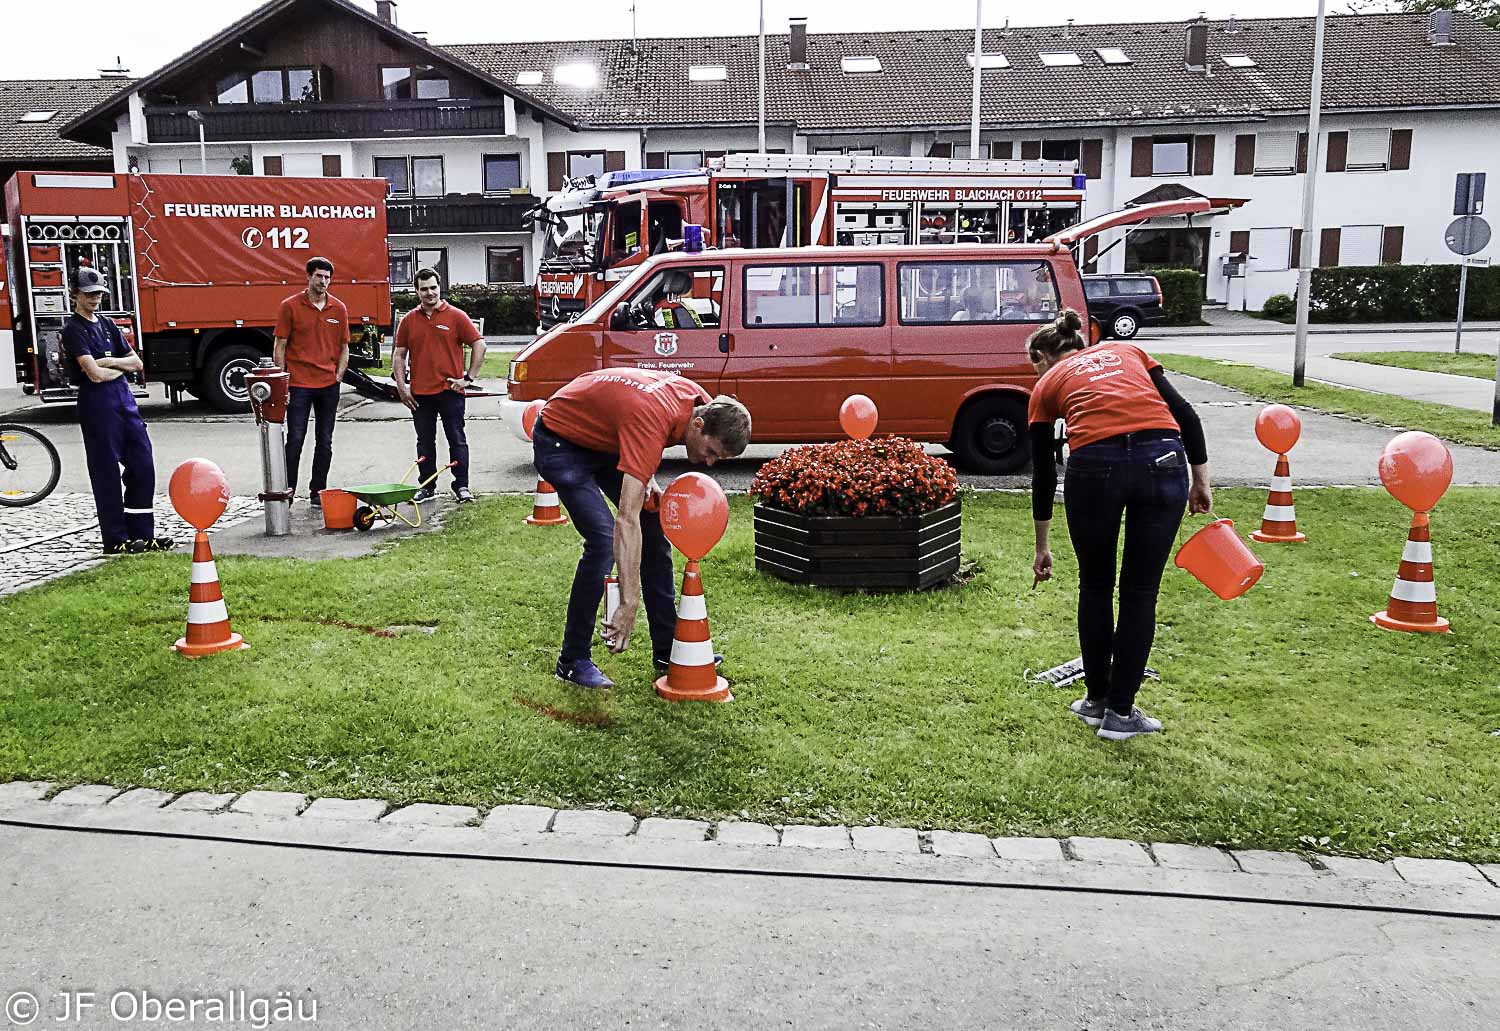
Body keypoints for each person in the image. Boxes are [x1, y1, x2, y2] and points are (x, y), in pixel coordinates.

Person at [1027, 309, 1211, 741]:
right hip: (1162, 459)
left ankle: (1095, 701)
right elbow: (1185, 414)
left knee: (1094, 586)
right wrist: (1200, 481)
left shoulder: (1045, 385)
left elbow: (1042, 474)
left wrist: (1042, 547)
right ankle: (1121, 713)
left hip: (1094, 466)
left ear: (1041, 357)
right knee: (1140, 592)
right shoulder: (1126, 350)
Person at [533, 369, 752, 689]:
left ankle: (667, 650)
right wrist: (629, 602)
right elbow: (625, 519)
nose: (709, 463)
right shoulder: (654, 417)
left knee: (653, 523)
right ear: (698, 425)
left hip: (604, 437)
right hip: (560, 440)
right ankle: (572, 659)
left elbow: (631, 421)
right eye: (711, 452)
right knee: (604, 538)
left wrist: (646, 479)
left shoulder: (702, 403)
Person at [62, 268, 174, 555]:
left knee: (142, 464)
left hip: (125, 402)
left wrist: (108, 361)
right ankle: (115, 538)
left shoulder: (108, 324)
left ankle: (143, 533)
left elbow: (136, 364)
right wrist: (112, 367)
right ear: (75, 294)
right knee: (106, 472)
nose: (95, 298)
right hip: (97, 405)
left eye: (98, 293)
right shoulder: (73, 329)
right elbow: (93, 375)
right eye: (88, 294)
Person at [391, 268, 485, 504]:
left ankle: (461, 486)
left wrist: (468, 379)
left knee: (457, 439)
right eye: (424, 289)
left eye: (433, 287)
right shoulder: (409, 321)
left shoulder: (456, 316)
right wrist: (402, 387)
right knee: (424, 441)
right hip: (420, 394)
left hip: (450, 392)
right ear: (416, 291)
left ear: (440, 287)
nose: (429, 293)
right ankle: (426, 486)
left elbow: (479, 345)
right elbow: (399, 354)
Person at [273, 256, 349, 508]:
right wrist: (281, 380)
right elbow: (280, 345)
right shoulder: (290, 306)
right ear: (308, 276)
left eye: (327, 277)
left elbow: (343, 346)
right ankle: (288, 490)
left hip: (328, 385)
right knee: (295, 438)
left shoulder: (338, 309)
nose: (323, 282)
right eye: (319, 276)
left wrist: (338, 375)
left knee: (324, 440)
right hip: (299, 385)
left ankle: (318, 491)